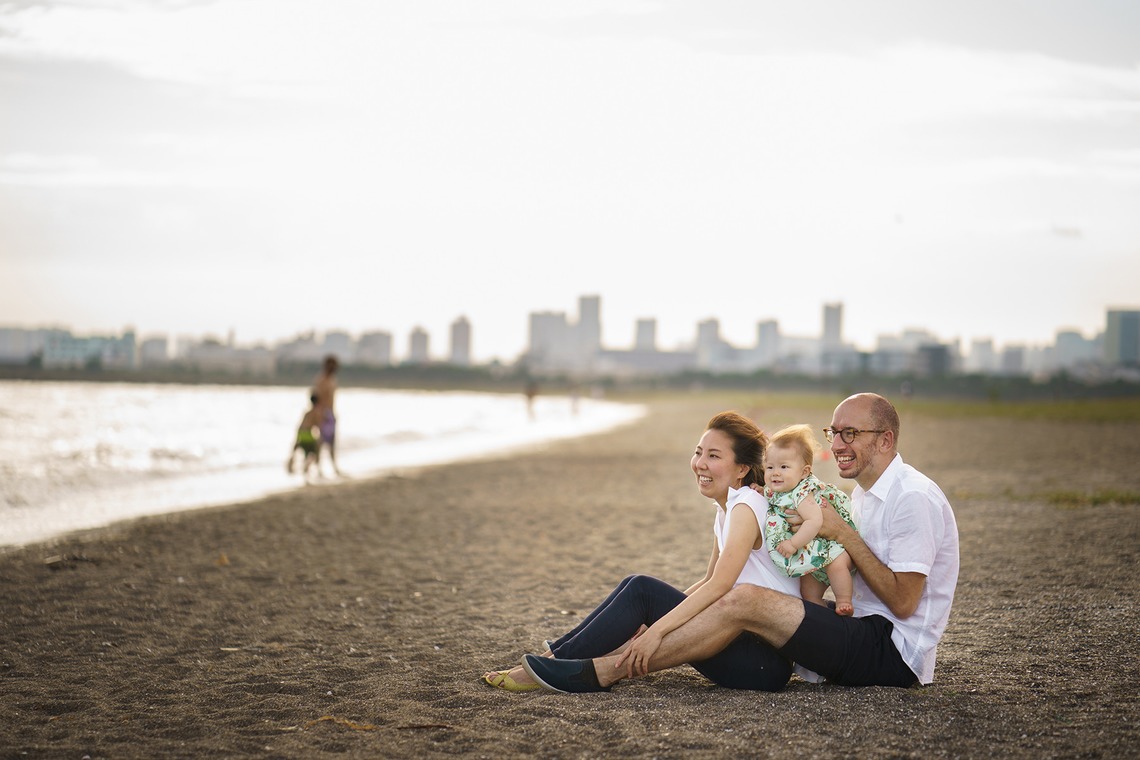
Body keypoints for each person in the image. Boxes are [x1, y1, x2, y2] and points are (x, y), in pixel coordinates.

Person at [524, 393, 959, 693]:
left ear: (885, 439)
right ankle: (563, 659)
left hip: (891, 652)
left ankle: (604, 671)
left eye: (851, 434)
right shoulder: (862, 496)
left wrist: (841, 534)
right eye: (834, 433)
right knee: (659, 590)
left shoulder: (911, 497)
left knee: (746, 596)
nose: (839, 443)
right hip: (858, 623)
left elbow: (904, 602)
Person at [482, 411, 810, 693]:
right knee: (637, 588)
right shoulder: (727, 509)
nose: (700, 464)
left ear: (741, 469)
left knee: (642, 590)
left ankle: (546, 667)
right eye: (699, 452)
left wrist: (658, 629)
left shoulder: (747, 505)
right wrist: (653, 620)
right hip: (739, 645)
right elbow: (708, 579)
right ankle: (554, 659)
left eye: (714, 456)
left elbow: (720, 586)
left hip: (763, 662)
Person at [763, 424, 858, 616]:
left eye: (784, 467)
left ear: (804, 472)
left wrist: (792, 543)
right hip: (812, 552)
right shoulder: (778, 488)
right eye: (770, 467)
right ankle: (824, 618)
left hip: (832, 547)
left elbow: (814, 521)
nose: (775, 473)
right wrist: (760, 490)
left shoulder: (803, 493)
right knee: (808, 593)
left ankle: (843, 601)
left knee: (837, 567)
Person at [313, 355, 341, 477]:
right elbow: (315, 398)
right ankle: (318, 468)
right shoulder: (321, 380)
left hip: (330, 414)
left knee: (331, 442)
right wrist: (318, 414)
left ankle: (334, 467)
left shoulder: (333, 380)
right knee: (320, 443)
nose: (333, 367)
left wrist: (333, 414)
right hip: (322, 414)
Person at [285, 394, 322, 482]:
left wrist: (297, 439)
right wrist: (319, 440)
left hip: (301, 434)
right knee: (313, 453)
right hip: (308, 434)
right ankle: (307, 469)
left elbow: (300, 426)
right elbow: (317, 427)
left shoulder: (306, 412)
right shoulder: (316, 412)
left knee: (306, 453)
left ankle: (306, 475)